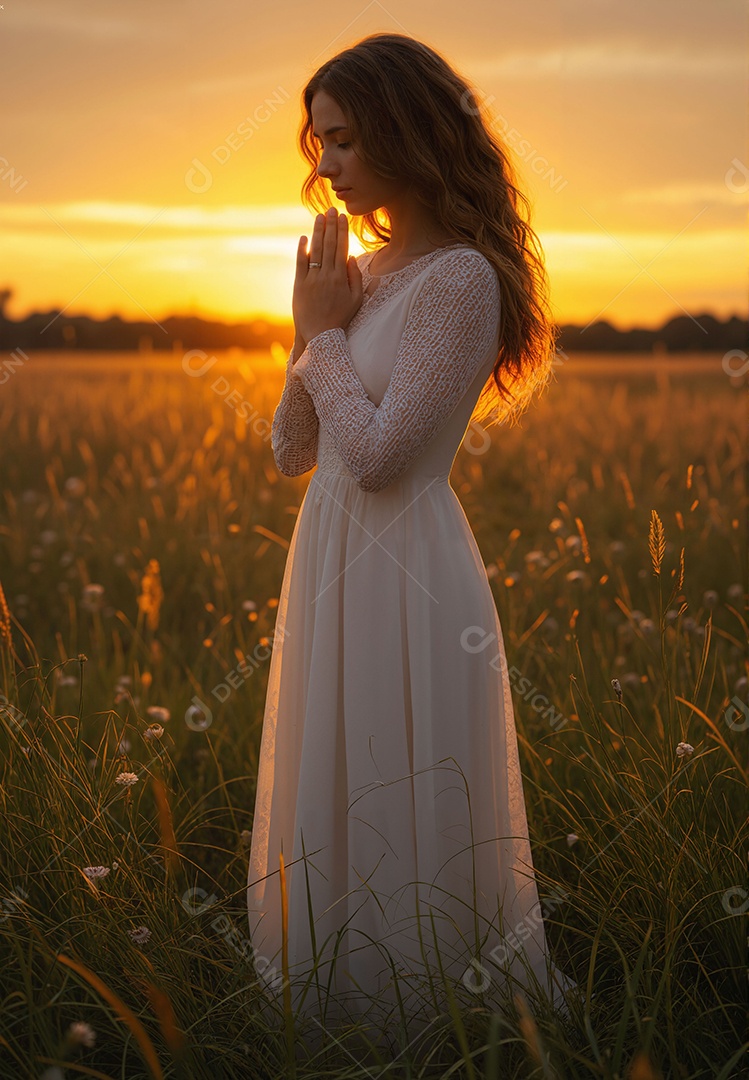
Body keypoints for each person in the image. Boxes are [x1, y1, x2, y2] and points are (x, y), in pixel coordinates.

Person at [247, 32, 577, 1046]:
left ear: (402, 129)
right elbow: (289, 452)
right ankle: (329, 1000)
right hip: (330, 556)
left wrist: (321, 339)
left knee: (401, 763)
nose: (324, 166)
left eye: (342, 140)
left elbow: (385, 455)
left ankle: (423, 1016)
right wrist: (312, 328)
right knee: (335, 763)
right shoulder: (359, 271)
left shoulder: (460, 280)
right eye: (318, 144)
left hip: (409, 563)